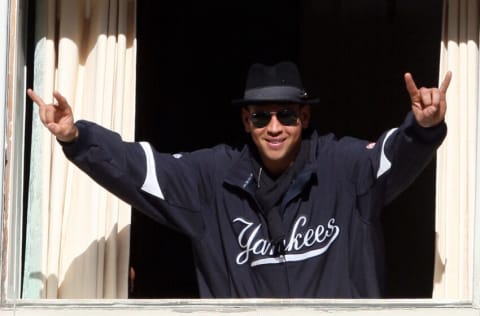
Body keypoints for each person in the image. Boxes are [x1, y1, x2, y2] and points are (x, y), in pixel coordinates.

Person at [27, 61, 452, 298]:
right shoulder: (211, 178)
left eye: (286, 114)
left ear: (304, 118)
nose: (274, 127)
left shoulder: (346, 168)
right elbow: (141, 168)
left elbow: (395, 156)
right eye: (260, 116)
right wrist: (78, 137)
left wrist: (424, 129)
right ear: (245, 122)